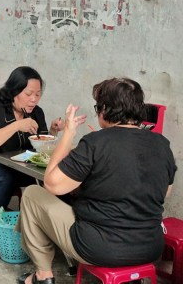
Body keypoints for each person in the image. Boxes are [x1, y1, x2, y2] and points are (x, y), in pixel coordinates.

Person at [17, 77, 177, 284]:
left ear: (104, 110)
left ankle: (42, 276)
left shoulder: (95, 142)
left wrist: (68, 134)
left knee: (32, 193)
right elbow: (166, 192)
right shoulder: (162, 144)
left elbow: (52, 183)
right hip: (150, 248)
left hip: (99, 247)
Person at [0, 66, 64, 260]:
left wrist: (53, 131)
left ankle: (46, 231)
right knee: (3, 176)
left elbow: (40, 145)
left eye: (38, 94)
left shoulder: (36, 112)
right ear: (14, 91)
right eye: (28, 94)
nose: (34, 99)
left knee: (54, 175)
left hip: (15, 167)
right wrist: (17, 125)